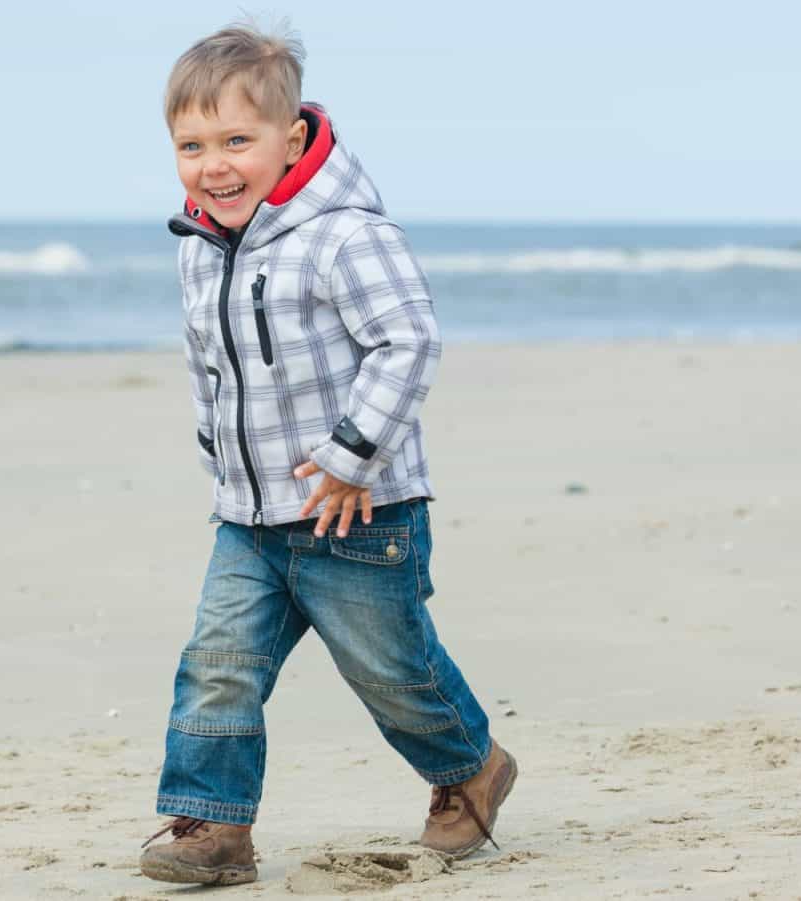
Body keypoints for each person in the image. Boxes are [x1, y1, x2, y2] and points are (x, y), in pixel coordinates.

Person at [140, 21, 516, 887]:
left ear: (293, 137)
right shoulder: (201, 250)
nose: (215, 164)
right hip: (248, 518)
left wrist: (352, 455)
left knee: (391, 671)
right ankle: (212, 826)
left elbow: (408, 341)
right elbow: (208, 367)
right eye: (193, 145)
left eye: (239, 139)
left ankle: (471, 768)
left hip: (361, 508)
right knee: (218, 664)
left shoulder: (347, 236)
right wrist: (218, 463)